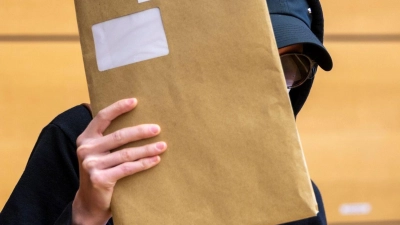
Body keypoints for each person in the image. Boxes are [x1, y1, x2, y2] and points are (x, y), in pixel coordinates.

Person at [0, 0, 333, 224]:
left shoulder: (296, 197)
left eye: (292, 65)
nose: (276, 84)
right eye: (252, 61)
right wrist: (84, 214)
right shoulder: (87, 145)